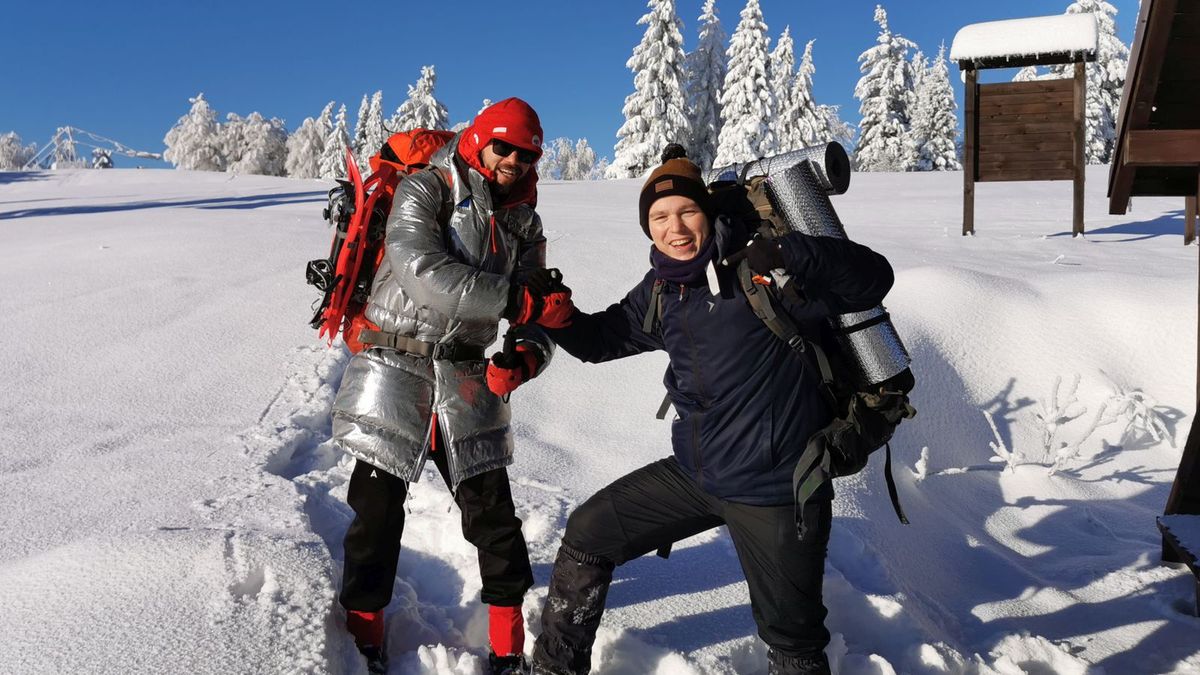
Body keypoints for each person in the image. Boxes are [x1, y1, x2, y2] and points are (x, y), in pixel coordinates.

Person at [529, 147, 895, 675]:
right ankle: (553, 669)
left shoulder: (764, 275)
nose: (674, 228)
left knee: (793, 641)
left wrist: (796, 253)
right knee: (589, 533)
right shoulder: (663, 289)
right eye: (659, 217)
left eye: (686, 212)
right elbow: (602, 340)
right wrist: (557, 316)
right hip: (698, 475)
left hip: (777, 491)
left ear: (707, 213)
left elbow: (874, 279)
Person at [329, 98, 574, 675]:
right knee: (376, 513)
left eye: (526, 152)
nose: (514, 159)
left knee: (494, 516)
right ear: (480, 140)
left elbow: (541, 310)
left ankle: (508, 646)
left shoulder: (524, 220)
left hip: (466, 376)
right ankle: (364, 639)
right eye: (504, 146)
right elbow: (423, 272)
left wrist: (527, 354)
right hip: (394, 366)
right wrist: (517, 300)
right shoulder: (426, 189)